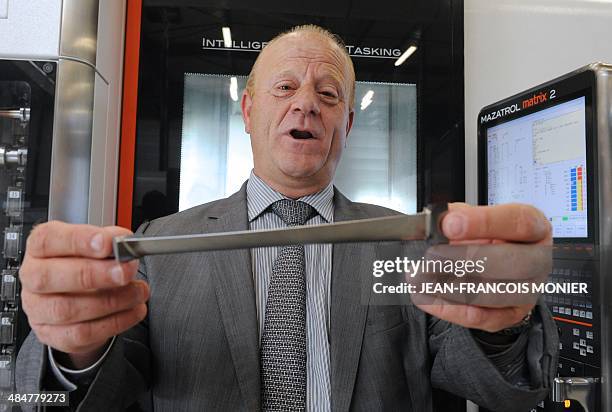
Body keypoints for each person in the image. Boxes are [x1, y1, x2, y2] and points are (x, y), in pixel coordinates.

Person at [16, 25, 558, 411]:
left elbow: (498, 390)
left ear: (346, 124)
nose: (307, 105)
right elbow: (88, 395)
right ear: (249, 111)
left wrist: (506, 317)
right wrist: (74, 342)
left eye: (328, 94)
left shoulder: (408, 249)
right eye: (285, 88)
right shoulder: (161, 247)